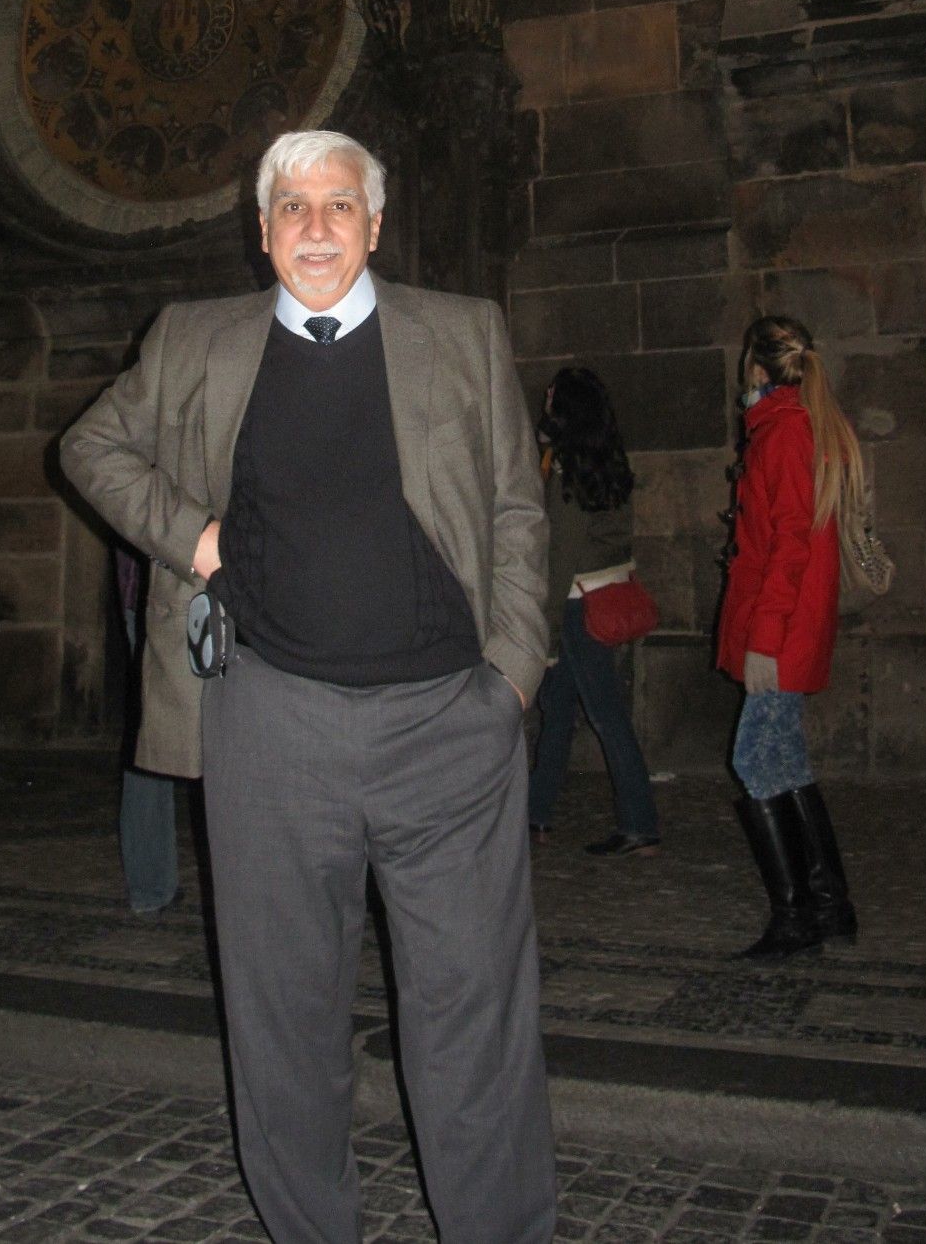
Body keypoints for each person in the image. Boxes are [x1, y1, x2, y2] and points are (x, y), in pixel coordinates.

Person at [62, 128, 555, 1244]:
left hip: (449, 725)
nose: (317, 227)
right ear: (263, 229)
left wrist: (512, 677)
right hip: (270, 725)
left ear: (375, 226)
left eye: (340, 206)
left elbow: (517, 509)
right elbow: (90, 447)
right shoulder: (195, 340)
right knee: (283, 1019)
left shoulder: (461, 332)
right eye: (294, 207)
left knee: (474, 1015)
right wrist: (191, 537)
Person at [716, 314, 860, 960]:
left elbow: (788, 548)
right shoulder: (793, 426)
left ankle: (796, 916)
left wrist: (763, 640)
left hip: (781, 628)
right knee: (786, 761)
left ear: (756, 367)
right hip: (789, 624)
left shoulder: (783, 432)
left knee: (753, 759)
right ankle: (830, 906)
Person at [527, 365, 659, 858]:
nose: (545, 399)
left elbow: (561, 555)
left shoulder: (568, 468)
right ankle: (536, 813)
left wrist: (547, 636)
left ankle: (640, 823)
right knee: (559, 710)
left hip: (578, 603)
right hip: (600, 594)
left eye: (552, 395)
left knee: (606, 716)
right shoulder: (605, 459)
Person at [113, 545, 180, 918]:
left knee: (151, 732)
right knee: (151, 736)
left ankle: (151, 883)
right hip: (159, 590)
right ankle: (150, 883)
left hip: (159, 590)